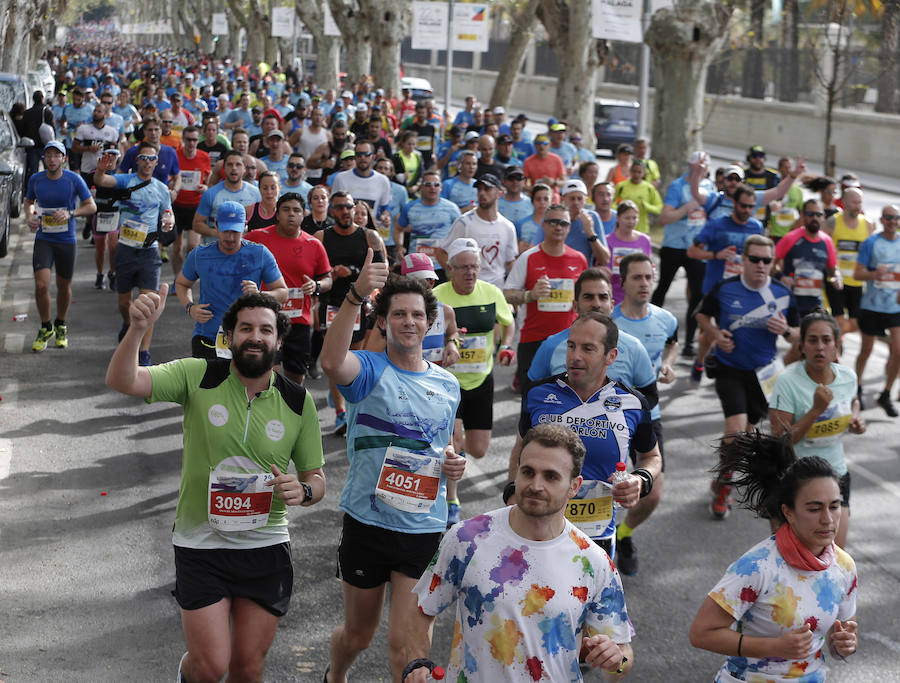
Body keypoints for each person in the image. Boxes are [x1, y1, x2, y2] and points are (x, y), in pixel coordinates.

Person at [105, 290, 326, 683]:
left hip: (265, 546)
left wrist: (304, 491)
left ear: (278, 341)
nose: (255, 337)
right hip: (200, 544)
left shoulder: (296, 401)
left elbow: (316, 478)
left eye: (265, 330)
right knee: (210, 666)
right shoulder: (199, 375)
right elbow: (123, 380)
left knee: (247, 668)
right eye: (245, 328)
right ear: (229, 335)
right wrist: (138, 329)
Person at [320, 259, 466, 683]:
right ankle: (335, 676)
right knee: (358, 635)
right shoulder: (368, 370)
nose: (409, 321)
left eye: (417, 314)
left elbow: (440, 445)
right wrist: (354, 295)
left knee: (407, 647)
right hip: (368, 523)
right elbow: (331, 362)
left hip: (423, 527)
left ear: (429, 323)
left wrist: (453, 462)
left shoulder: (447, 384)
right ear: (382, 322)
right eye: (398, 314)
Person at [405, 423, 635, 683]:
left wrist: (617, 659)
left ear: (574, 486)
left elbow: (623, 654)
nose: (535, 485)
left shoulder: (593, 561)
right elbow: (422, 606)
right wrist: (417, 662)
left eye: (551, 476)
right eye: (528, 472)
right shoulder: (468, 538)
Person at [689, 437, 858, 683]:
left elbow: (837, 643)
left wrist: (845, 644)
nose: (828, 520)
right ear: (788, 512)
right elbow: (701, 633)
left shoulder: (844, 566)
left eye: (834, 506)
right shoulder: (757, 566)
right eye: (814, 509)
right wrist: (774, 647)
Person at [510, 312, 662, 560]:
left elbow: (651, 456)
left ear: (610, 356)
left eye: (588, 349)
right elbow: (520, 449)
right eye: (571, 346)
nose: (575, 356)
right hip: (536, 528)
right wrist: (511, 494)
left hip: (596, 535)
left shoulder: (632, 403)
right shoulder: (538, 393)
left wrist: (641, 479)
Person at [696, 234, 800, 519]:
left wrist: (787, 332)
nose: (761, 265)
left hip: (764, 375)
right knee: (737, 429)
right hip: (730, 369)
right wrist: (716, 335)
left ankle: (722, 477)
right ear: (743, 260)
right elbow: (702, 316)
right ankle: (723, 488)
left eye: (767, 260)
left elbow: (800, 336)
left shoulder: (782, 293)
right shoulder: (726, 288)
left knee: (749, 434)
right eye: (754, 259)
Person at [433, 238, 515, 525]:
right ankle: (451, 497)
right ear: (450, 269)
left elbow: (508, 322)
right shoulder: (437, 296)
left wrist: (507, 345)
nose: (470, 273)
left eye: (475, 267)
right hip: (447, 382)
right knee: (454, 439)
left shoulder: (491, 292)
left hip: (481, 379)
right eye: (464, 267)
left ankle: (454, 449)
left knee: (478, 449)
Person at [769, 310, 865, 548]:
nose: (820, 347)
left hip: (835, 474)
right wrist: (815, 411)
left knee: (834, 557)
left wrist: (855, 419)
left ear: (836, 345)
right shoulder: (787, 381)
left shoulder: (848, 377)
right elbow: (781, 439)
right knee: (794, 561)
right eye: (812, 340)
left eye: (826, 340)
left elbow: (853, 401)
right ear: (802, 346)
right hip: (795, 477)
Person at [610, 253, 677, 574]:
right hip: (609, 416)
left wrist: (667, 363)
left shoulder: (665, 319)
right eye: (637, 277)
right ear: (623, 282)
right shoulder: (609, 324)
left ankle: (624, 534)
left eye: (649, 277)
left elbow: (672, 342)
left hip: (649, 412)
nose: (644, 283)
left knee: (652, 494)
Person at [94, 141, 175, 366]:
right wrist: (101, 169)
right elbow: (101, 181)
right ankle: (128, 324)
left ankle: (144, 352)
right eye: (143, 158)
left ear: (157, 162)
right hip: (126, 250)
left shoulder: (161, 188)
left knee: (149, 305)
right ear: (137, 160)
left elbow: (168, 213)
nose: (147, 162)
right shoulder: (125, 181)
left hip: (149, 253)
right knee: (124, 303)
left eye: (152, 159)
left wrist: (168, 221)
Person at [176, 200, 288, 359]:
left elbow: (283, 293)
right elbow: (181, 284)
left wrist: (260, 294)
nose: (230, 237)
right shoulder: (199, 255)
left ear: (245, 226)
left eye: (235, 231)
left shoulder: (260, 254)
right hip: (208, 337)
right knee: (207, 384)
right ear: (216, 225)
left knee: (248, 384)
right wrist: (190, 307)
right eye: (226, 230)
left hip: (249, 340)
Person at [314, 191, 387, 435]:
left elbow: (381, 273)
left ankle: (354, 405)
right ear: (332, 211)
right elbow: (314, 273)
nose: (345, 211)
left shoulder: (369, 236)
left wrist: (353, 272)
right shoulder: (321, 236)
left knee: (356, 358)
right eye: (340, 207)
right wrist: (330, 275)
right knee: (335, 358)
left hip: (361, 305)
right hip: (332, 304)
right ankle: (340, 412)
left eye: (348, 206)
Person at [246, 193, 333, 383]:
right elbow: (233, 250)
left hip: (299, 321)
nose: (291, 214)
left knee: (296, 379)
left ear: (303, 215)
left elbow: (328, 279)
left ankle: (289, 411)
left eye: (296, 210)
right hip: (266, 317)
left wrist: (316, 285)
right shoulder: (258, 237)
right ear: (277, 214)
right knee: (271, 375)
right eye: (286, 210)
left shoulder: (314, 244)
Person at [687, 184, 765, 385]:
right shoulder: (717, 225)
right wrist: (716, 255)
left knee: (736, 332)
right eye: (743, 206)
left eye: (751, 206)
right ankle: (701, 360)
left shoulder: (756, 228)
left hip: (742, 289)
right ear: (734, 204)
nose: (747, 210)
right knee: (708, 333)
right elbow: (692, 252)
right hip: (715, 287)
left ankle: (726, 369)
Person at [504, 202, 588, 388]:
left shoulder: (579, 259)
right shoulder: (529, 257)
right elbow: (506, 294)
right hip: (533, 340)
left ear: (569, 227)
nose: (558, 227)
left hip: (569, 341)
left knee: (566, 402)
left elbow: (586, 297)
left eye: (563, 223)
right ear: (543, 225)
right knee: (531, 401)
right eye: (553, 222)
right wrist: (530, 295)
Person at [25, 141, 97, 352]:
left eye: (57, 155)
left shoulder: (73, 179)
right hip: (44, 238)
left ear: (64, 159)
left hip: (66, 240)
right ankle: (46, 326)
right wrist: (30, 216)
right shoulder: (36, 179)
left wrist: (71, 213)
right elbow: (29, 202)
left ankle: (61, 324)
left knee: (64, 286)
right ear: (44, 159)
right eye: (48, 155)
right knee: (41, 285)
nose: (52, 159)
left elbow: (91, 206)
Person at [651, 154, 714, 356]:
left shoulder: (710, 186)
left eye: (704, 166)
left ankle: (688, 344)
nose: (701, 169)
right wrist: (688, 207)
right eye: (698, 165)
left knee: (697, 295)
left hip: (697, 248)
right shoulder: (678, 186)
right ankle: (649, 330)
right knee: (662, 288)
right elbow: (664, 218)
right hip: (674, 246)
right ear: (689, 165)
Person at [774, 199, 840, 364]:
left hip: (814, 301)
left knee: (819, 349)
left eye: (819, 214)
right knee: (801, 345)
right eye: (811, 214)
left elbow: (833, 268)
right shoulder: (791, 238)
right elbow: (770, 263)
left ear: (823, 217)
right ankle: (781, 378)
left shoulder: (826, 241)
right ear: (803, 216)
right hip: (793, 302)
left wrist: (837, 278)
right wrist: (781, 276)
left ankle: (785, 375)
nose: (815, 218)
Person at [852, 204, 900, 417]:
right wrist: (874, 273)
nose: (892, 221)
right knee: (866, 350)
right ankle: (858, 388)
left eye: (896, 218)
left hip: (895, 306)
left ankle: (886, 394)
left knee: (898, 351)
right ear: (882, 220)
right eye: (888, 217)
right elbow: (857, 274)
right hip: (871, 305)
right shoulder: (871, 243)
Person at [437, 174, 518, 290]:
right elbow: (441, 253)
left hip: (497, 290)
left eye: (487, 189)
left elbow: (510, 263)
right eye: (479, 189)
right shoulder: (464, 222)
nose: (482, 193)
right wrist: (455, 278)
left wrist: (512, 288)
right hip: (469, 290)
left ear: (499, 193)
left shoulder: (508, 227)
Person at [395, 169, 461, 278]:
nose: (432, 187)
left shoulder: (452, 208)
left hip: (442, 265)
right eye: (428, 184)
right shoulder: (410, 207)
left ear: (441, 188)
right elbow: (398, 229)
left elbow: (459, 234)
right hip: (416, 265)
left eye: (436, 184)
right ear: (421, 187)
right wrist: (399, 246)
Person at [824, 187, 871, 335]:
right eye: (854, 202)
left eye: (860, 202)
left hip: (856, 282)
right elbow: (820, 245)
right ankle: (833, 350)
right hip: (836, 279)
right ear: (844, 203)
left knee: (855, 324)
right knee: (838, 320)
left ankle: (835, 339)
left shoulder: (867, 225)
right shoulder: (832, 222)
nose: (858, 206)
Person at [193, 150, 262, 244]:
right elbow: (197, 224)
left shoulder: (256, 193)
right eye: (230, 164)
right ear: (224, 168)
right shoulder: (210, 194)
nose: (234, 168)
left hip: (245, 249)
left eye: (238, 164)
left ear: (244, 168)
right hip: (215, 248)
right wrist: (218, 233)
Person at [172, 124, 211, 272]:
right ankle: (177, 278)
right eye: (188, 140)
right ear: (183, 140)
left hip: (196, 206)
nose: (191, 143)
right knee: (177, 247)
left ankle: (186, 276)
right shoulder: (176, 155)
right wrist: (173, 185)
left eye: (194, 140)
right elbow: (171, 178)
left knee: (192, 246)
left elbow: (208, 179)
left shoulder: (204, 157)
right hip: (178, 205)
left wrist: (205, 188)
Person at [606, 201, 652, 304]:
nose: (631, 221)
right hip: (615, 295)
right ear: (617, 218)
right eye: (627, 218)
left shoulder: (645, 240)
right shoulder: (607, 240)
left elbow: (649, 266)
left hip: (638, 294)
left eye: (634, 218)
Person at [613, 162, 662, 235]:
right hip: (622, 228)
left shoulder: (649, 188)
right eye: (634, 171)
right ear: (630, 171)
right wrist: (619, 208)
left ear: (644, 173)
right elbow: (612, 203)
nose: (636, 174)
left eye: (639, 172)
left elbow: (659, 208)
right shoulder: (621, 186)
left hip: (642, 229)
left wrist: (647, 206)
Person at [515, 182, 551, 252]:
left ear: (551, 201)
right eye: (538, 199)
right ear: (532, 201)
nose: (542, 202)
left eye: (546, 199)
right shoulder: (521, 224)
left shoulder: (556, 224)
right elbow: (515, 250)